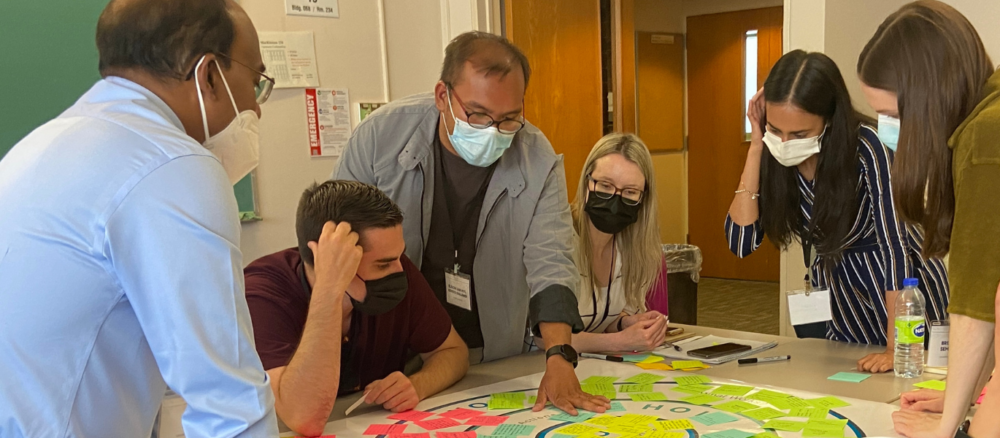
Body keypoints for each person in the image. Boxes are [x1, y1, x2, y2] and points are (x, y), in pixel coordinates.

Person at [0, 0, 277, 436]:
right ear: (208, 75)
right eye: (256, 81)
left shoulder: (42, 144)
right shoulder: (172, 164)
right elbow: (229, 403)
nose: (256, 109)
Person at [333, 31, 609, 415]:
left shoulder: (536, 157)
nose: (493, 131)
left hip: (490, 351)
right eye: (477, 114)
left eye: (510, 119)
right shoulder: (380, 138)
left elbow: (552, 261)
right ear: (443, 96)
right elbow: (337, 245)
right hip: (391, 354)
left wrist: (560, 355)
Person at [725, 50, 949, 373]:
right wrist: (758, 145)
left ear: (829, 120)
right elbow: (741, 242)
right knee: (848, 382)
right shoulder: (772, 153)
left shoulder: (869, 148)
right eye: (776, 129)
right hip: (844, 292)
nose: (786, 142)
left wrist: (895, 348)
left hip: (901, 293)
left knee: (904, 385)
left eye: (799, 135)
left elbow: (894, 249)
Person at [856, 2, 999, 436]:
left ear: (930, 95)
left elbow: (976, 305)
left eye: (895, 116)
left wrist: (949, 425)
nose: (887, 129)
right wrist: (967, 392)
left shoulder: (984, 134)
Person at [244, 181, 468, 436]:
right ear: (332, 259)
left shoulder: (395, 264)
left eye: (399, 256)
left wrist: (418, 384)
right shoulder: (263, 294)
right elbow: (304, 418)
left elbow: (453, 351)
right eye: (383, 265)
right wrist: (329, 290)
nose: (400, 270)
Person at [567, 133, 670, 353]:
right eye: (605, 186)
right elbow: (542, 336)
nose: (615, 199)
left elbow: (596, 317)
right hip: (533, 370)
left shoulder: (631, 248)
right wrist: (620, 341)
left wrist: (624, 323)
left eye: (630, 192)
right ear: (587, 182)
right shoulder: (558, 240)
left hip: (590, 368)